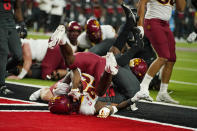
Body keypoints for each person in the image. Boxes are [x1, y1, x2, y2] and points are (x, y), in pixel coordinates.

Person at [131, 0, 186, 104]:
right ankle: (143, 87)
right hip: (153, 21)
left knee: (171, 59)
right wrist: (140, 24)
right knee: (163, 56)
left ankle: (163, 93)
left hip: (165, 24)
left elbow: (181, 8)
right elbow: (142, 2)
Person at [30, 68, 136, 118]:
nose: (74, 100)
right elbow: (113, 106)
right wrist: (131, 101)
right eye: (72, 103)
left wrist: (74, 87)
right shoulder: (86, 109)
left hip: (101, 71)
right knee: (132, 93)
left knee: (47, 95)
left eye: (70, 99)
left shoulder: (61, 91)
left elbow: (74, 71)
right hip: (109, 91)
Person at [6, 21, 81, 80]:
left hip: (53, 50)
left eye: (77, 32)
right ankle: (68, 72)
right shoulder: (22, 42)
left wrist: (19, 77)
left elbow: (28, 60)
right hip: (52, 49)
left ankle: (67, 73)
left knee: (46, 75)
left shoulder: (23, 43)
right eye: (73, 31)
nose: (75, 34)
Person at [0, 0, 27, 95]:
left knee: (18, 55)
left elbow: (17, 6)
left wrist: (22, 23)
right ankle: (1, 85)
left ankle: (1, 72)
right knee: (3, 53)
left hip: (10, 23)